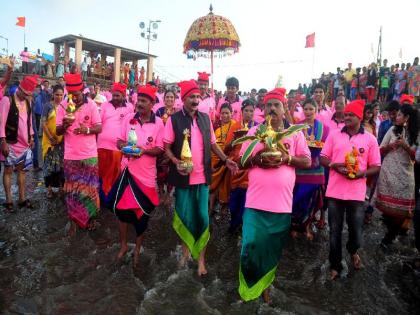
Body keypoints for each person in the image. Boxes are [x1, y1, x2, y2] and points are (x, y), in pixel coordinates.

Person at [238, 87, 311, 302]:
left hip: (281, 206)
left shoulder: (294, 133)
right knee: (250, 247)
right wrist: (259, 158)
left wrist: (287, 159)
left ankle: (265, 290)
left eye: (276, 105)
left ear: (284, 108)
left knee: (271, 251)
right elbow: (242, 162)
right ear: (263, 108)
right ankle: (248, 290)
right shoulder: (254, 133)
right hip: (255, 203)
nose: (272, 108)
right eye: (268, 105)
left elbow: (307, 161)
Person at [164, 79, 238, 276]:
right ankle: (186, 253)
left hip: (203, 178)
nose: (196, 100)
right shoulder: (174, 120)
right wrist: (175, 161)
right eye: (192, 97)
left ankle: (201, 261)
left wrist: (226, 160)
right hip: (182, 179)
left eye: (198, 97)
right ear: (184, 98)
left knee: (203, 219)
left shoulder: (206, 119)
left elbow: (213, 145)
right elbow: (167, 147)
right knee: (185, 217)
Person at [320, 99, 381, 280]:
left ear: (359, 117)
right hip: (334, 191)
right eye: (345, 114)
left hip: (356, 193)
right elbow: (323, 157)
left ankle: (353, 250)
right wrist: (334, 165)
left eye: (350, 115)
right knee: (334, 230)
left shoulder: (370, 139)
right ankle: (335, 265)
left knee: (356, 230)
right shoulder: (334, 135)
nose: (346, 117)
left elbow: (376, 166)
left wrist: (362, 173)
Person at [113, 84, 164, 265]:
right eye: (138, 100)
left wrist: (144, 151)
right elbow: (118, 140)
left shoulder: (159, 123)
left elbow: (160, 148)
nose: (139, 104)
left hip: (147, 177)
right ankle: (124, 245)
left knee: (142, 215)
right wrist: (124, 148)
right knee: (121, 211)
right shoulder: (128, 119)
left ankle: (137, 250)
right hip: (127, 171)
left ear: (152, 104)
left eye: (144, 101)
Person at [56, 73, 102, 236]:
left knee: (90, 189)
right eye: (71, 95)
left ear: (83, 90)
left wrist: (87, 129)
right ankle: (74, 221)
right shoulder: (62, 106)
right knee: (72, 191)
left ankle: (89, 219)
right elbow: (58, 132)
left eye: (76, 95)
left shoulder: (92, 105)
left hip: (89, 155)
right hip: (71, 156)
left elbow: (99, 127)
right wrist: (64, 124)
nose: (73, 98)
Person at [375, 105, 419, 247]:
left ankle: (389, 237)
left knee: (402, 212)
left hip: (406, 174)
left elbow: (417, 158)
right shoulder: (392, 129)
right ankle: (390, 233)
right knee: (387, 211)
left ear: (407, 118)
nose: (396, 117)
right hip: (388, 172)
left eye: (399, 115)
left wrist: (406, 146)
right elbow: (380, 150)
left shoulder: (416, 134)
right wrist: (392, 145)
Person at [291, 98, 329, 240]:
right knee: (297, 199)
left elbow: (327, 147)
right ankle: (294, 226)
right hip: (299, 169)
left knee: (312, 201)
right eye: (305, 109)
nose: (308, 112)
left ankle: (306, 226)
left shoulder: (324, 128)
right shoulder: (296, 126)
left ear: (316, 110)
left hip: (316, 170)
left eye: (311, 109)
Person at [0, 75, 37, 211]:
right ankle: (9, 200)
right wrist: (3, 142)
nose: (26, 96)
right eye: (25, 93)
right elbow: (1, 123)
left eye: (29, 94)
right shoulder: (7, 100)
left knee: (22, 171)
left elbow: (29, 121)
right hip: (10, 142)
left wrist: (31, 136)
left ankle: (22, 198)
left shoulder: (28, 102)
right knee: (8, 171)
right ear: (20, 89)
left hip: (24, 144)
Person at [97, 83, 133, 206]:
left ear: (123, 95)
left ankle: (110, 199)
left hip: (118, 148)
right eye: (114, 95)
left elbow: (131, 126)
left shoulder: (129, 108)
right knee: (101, 173)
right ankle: (101, 199)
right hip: (101, 146)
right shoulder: (105, 105)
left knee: (114, 174)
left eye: (118, 95)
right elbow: (98, 123)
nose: (115, 97)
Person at [226, 99, 258, 233]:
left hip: (250, 168)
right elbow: (226, 149)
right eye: (246, 110)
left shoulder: (258, 128)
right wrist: (235, 139)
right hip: (235, 167)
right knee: (234, 199)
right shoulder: (235, 126)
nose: (249, 113)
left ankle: (240, 225)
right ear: (241, 111)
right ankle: (234, 221)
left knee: (247, 199)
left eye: (251, 111)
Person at [210, 103, 238, 213]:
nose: (224, 115)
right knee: (213, 184)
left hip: (228, 159)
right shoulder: (216, 127)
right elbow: (211, 143)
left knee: (226, 184)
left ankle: (223, 206)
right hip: (215, 159)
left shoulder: (235, 126)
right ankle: (211, 208)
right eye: (222, 113)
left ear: (232, 114)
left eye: (227, 113)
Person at [41, 84, 65, 198]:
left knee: (61, 166)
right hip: (49, 142)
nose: (59, 97)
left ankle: (61, 187)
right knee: (48, 166)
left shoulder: (65, 106)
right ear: (52, 94)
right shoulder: (48, 106)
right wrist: (50, 137)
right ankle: (49, 189)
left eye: (61, 95)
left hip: (61, 142)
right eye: (57, 94)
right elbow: (43, 123)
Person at [156, 90, 177, 202]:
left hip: (173, 146)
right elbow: (155, 127)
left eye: (171, 97)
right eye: (167, 97)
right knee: (160, 170)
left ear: (175, 100)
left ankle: (169, 193)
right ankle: (160, 191)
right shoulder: (159, 112)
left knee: (171, 171)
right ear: (164, 99)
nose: (169, 99)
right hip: (160, 144)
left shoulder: (178, 113)